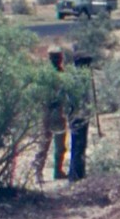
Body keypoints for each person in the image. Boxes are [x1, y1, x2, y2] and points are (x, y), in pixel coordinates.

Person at [32, 48, 68, 183]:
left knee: (60, 144)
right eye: (55, 57)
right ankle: (38, 173)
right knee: (45, 143)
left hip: (59, 111)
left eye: (58, 57)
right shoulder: (45, 75)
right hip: (49, 112)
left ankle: (58, 171)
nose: (58, 60)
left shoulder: (62, 73)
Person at [67, 50, 95, 182]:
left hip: (82, 115)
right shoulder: (75, 78)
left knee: (81, 144)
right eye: (86, 63)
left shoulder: (81, 77)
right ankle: (75, 175)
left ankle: (79, 172)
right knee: (77, 145)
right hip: (77, 116)